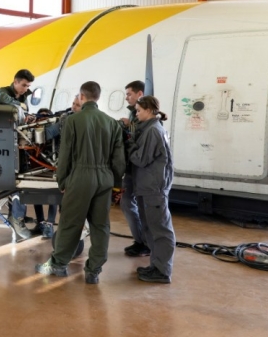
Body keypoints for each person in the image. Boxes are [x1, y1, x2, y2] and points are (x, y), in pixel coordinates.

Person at [35, 81, 126, 284]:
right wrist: (116, 185)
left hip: (80, 177)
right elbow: (119, 161)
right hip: (105, 179)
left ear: (81, 97)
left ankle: (58, 265)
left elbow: (65, 155)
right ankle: (94, 270)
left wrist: (63, 181)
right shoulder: (112, 123)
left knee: (70, 223)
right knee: (101, 225)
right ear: (98, 97)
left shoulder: (73, 121)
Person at [128, 95, 175, 283]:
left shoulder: (153, 131)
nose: (136, 114)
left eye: (138, 110)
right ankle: (156, 266)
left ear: (149, 110)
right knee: (150, 229)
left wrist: (129, 145)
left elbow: (140, 158)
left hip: (153, 188)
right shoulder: (150, 129)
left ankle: (163, 271)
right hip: (147, 186)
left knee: (161, 230)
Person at [0, 69, 36, 240]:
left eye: (28, 86)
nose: (26, 89)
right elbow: (2, 100)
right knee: (17, 181)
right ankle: (16, 218)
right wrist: (22, 107)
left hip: (17, 145)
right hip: (2, 145)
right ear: (15, 82)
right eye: (24, 85)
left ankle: (18, 214)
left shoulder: (22, 98)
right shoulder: (3, 93)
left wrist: (27, 117)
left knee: (22, 180)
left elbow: (21, 115)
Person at [29, 95, 81, 238]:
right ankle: (41, 223)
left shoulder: (65, 121)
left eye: (77, 105)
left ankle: (50, 224)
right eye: (73, 103)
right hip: (43, 165)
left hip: (59, 166)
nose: (73, 107)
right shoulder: (65, 119)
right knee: (36, 195)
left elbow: (49, 134)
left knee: (55, 195)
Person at [118, 80, 151, 257]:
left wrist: (129, 128)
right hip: (133, 168)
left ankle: (144, 242)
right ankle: (141, 241)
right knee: (128, 203)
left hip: (138, 168)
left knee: (131, 204)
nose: (126, 98)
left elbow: (139, 140)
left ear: (140, 94)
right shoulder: (134, 115)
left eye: (129, 94)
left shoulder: (150, 123)